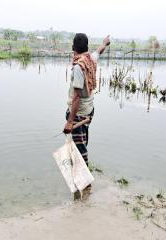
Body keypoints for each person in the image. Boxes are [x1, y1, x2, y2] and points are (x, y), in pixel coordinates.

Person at [63, 33, 110, 200]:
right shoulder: (90, 59)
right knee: (81, 143)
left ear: (73, 47)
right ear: (86, 47)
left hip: (79, 114)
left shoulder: (78, 67)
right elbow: (99, 51)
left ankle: (85, 184)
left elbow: (76, 96)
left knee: (79, 148)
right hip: (89, 111)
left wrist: (69, 122)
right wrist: (105, 43)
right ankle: (81, 181)